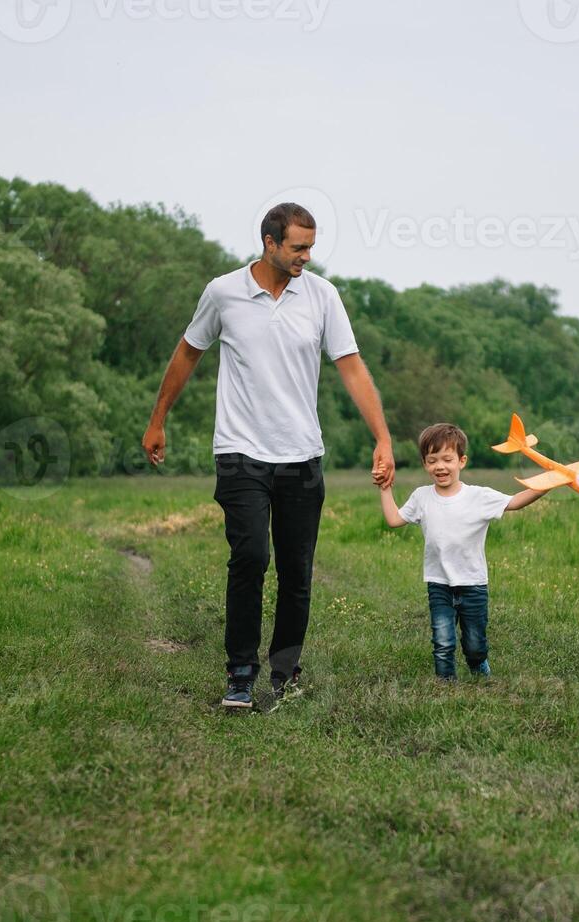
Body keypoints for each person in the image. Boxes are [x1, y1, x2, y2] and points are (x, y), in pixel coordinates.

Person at [143, 203, 394, 710]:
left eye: (311, 247)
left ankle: (285, 673)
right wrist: (158, 418)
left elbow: (351, 367)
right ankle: (240, 674)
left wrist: (383, 437)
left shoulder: (322, 296)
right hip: (240, 452)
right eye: (298, 247)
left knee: (297, 570)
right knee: (251, 556)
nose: (307, 256)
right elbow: (188, 351)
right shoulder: (224, 292)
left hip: (302, 455)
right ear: (270, 242)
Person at [379, 422, 548, 680]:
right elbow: (393, 519)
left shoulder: (478, 496)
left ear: (462, 461)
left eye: (447, 459)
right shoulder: (421, 497)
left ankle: (478, 664)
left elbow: (514, 502)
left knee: (474, 643)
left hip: (473, 584)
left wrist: (547, 484)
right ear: (425, 464)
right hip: (439, 584)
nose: (440, 466)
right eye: (432, 460)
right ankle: (445, 683)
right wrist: (385, 487)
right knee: (443, 641)